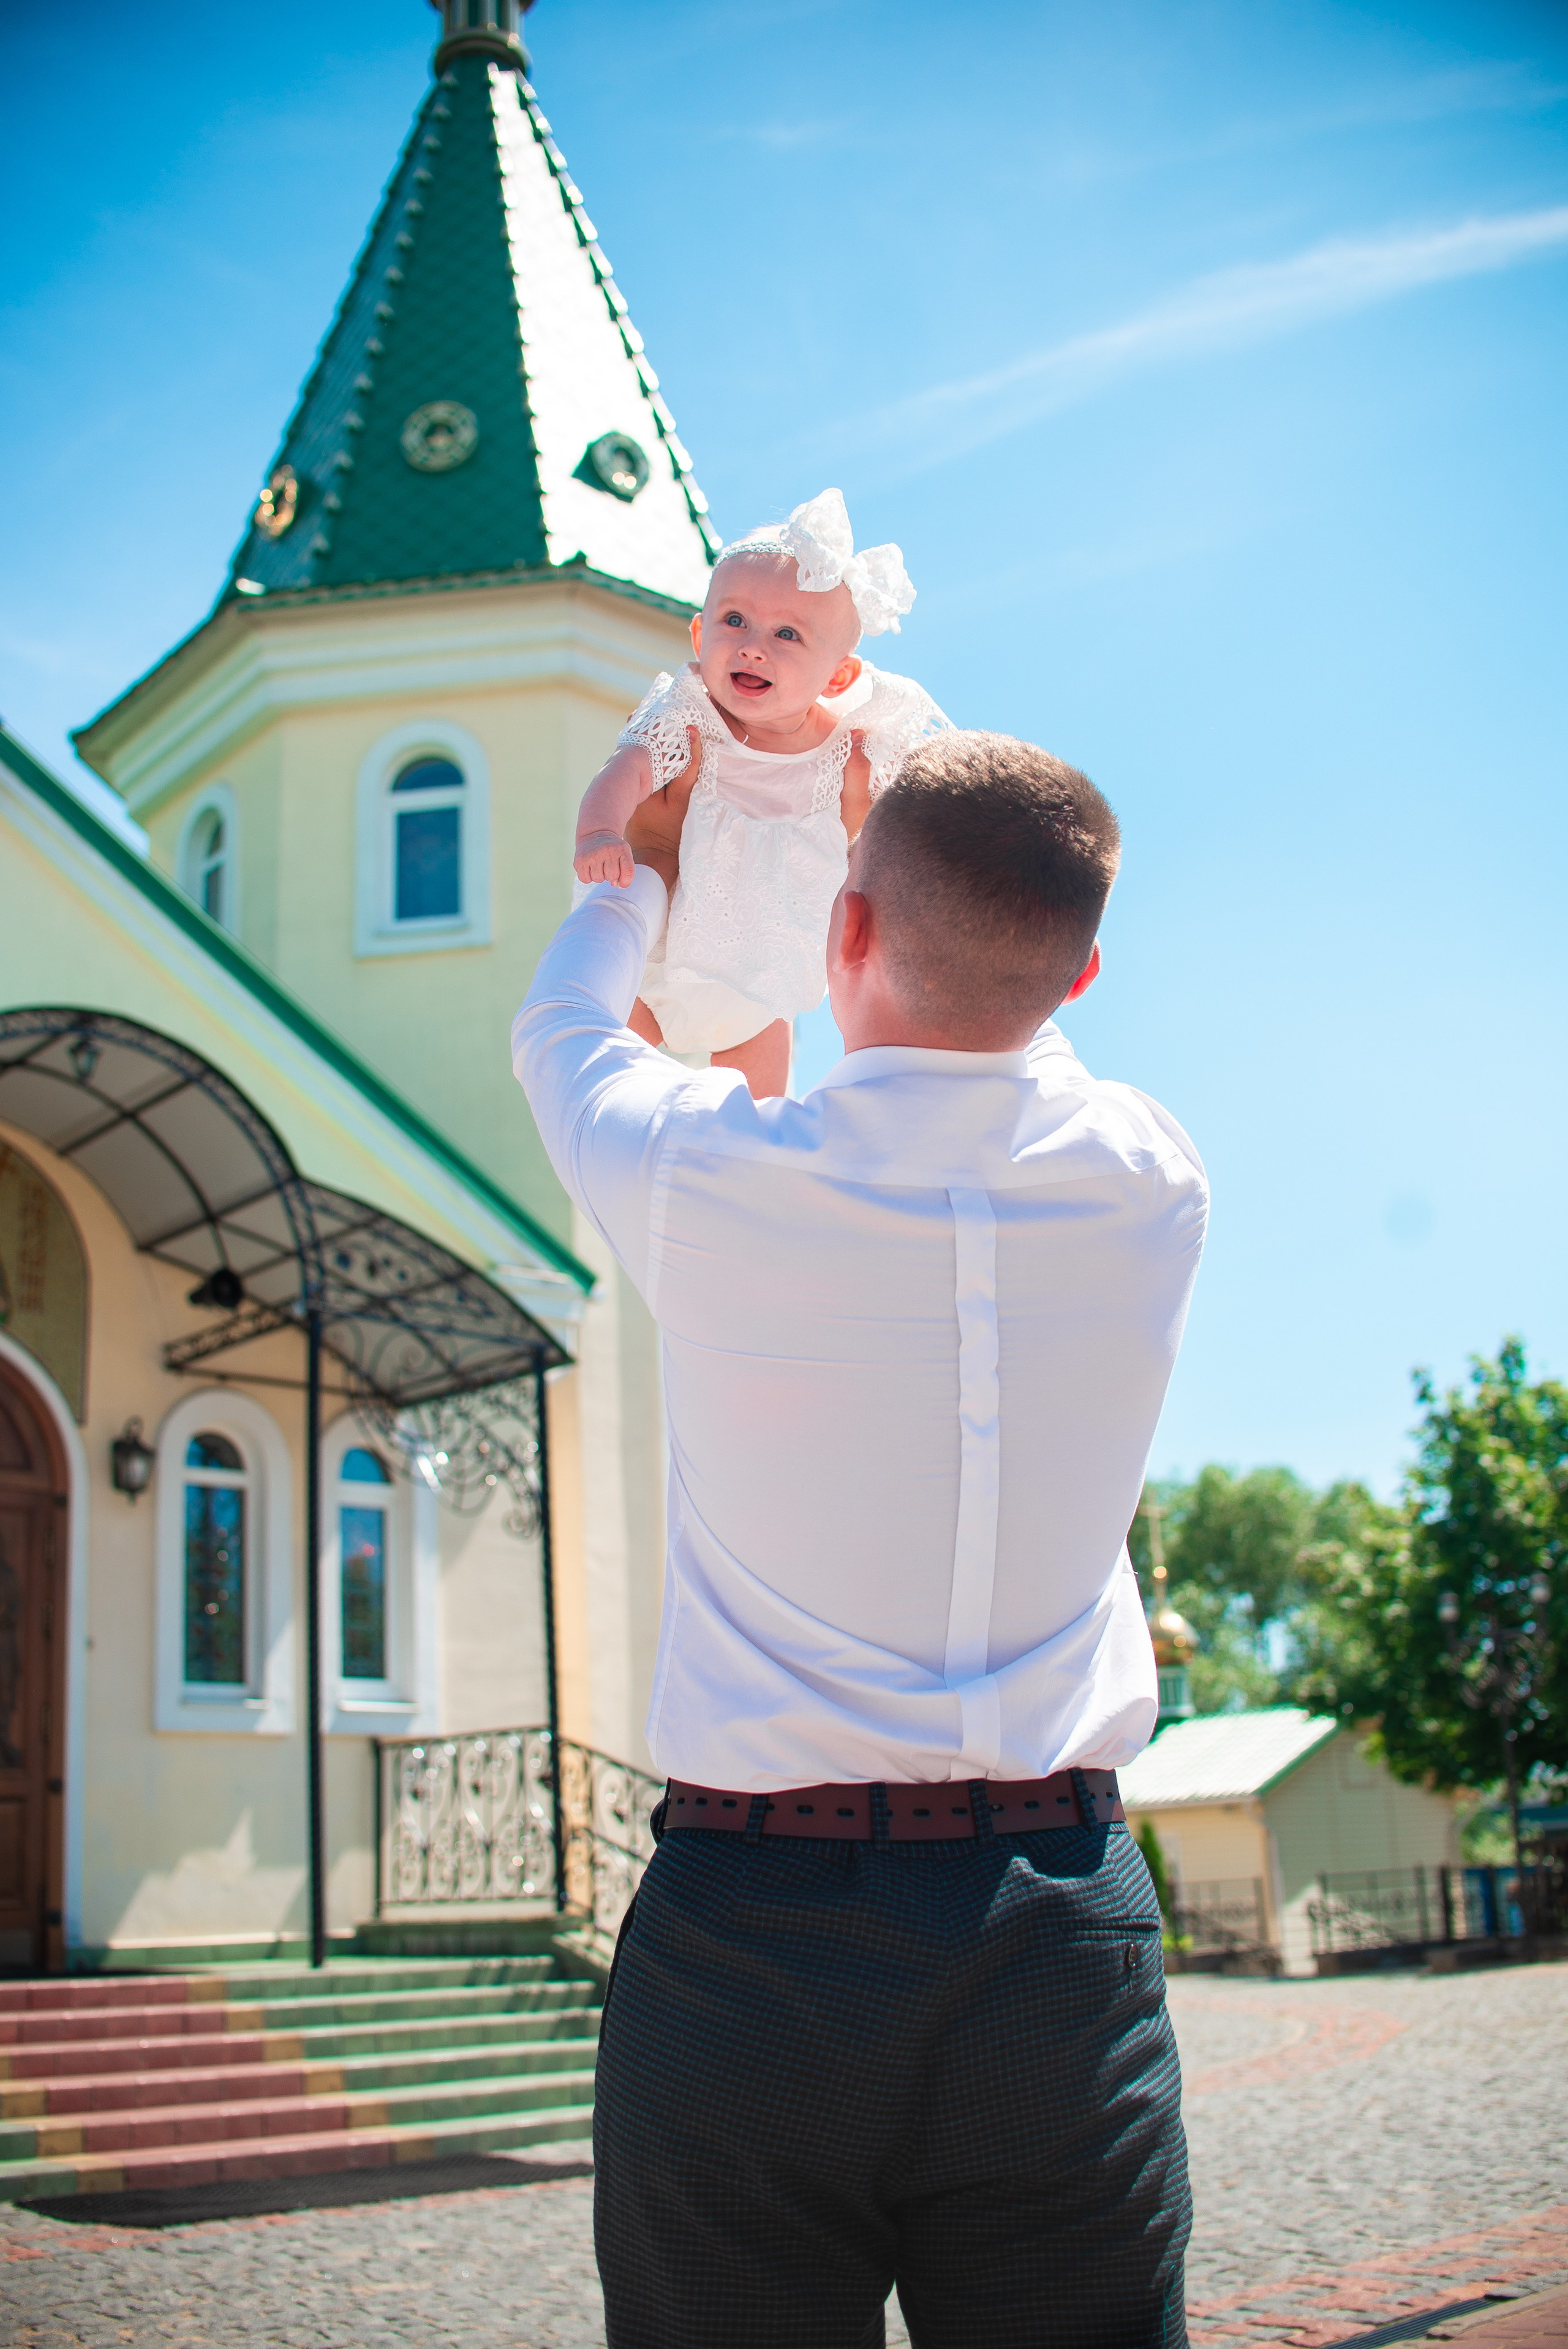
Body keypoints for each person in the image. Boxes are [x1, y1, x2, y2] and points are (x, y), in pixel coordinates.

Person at [513, 729, 1208, 2349]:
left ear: (842, 931)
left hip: (754, 1937)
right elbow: (1003, 917)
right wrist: (896, 811)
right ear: (1084, 973)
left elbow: (563, 1028)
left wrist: (632, 863)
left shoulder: (707, 1175)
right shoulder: (1152, 1178)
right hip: (1061, 1928)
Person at [572, 487, 950, 1098]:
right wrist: (599, 831)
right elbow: (628, 771)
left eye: (787, 635)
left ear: (840, 676)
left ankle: (747, 1167)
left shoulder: (852, 748)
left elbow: (905, 822)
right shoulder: (691, 715)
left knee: (759, 1098)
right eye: (734, 621)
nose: (753, 645)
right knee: (610, 1081)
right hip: (654, 953)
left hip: (762, 971)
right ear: (699, 636)